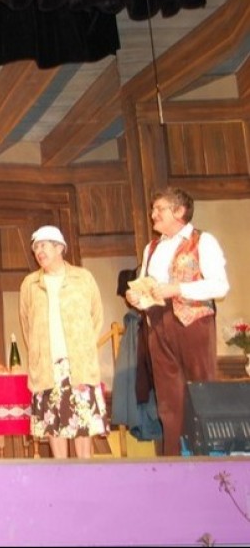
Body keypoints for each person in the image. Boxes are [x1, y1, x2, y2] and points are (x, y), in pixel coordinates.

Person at [125, 187, 229, 456]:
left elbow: (220, 286)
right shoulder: (151, 247)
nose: (153, 214)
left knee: (201, 389)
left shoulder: (203, 241)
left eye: (159, 209)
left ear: (179, 211)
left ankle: (207, 457)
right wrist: (137, 297)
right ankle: (174, 458)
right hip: (157, 323)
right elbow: (149, 285)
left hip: (193, 323)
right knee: (168, 398)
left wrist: (178, 289)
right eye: (153, 209)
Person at [19, 225, 107, 459]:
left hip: (78, 363)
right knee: (53, 423)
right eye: (36, 247)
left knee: (82, 423)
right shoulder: (30, 284)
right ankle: (61, 471)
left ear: (59, 248)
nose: (39, 251)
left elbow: (96, 317)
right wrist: (38, 353)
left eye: (43, 245)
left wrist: (84, 348)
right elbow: (27, 324)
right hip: (47, 365)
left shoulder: (83, 277)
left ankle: (85, 474)